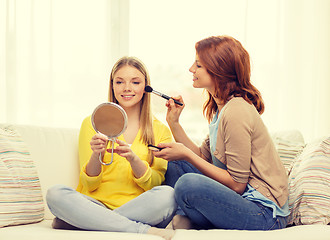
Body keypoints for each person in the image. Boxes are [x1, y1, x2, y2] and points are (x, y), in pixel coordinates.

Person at [153, 36, 289, 231]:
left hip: (264, 213)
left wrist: (186, 154)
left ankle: (190, 218)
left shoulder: (236, 111)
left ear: (218, 70)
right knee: (175, 164)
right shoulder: (221, 108)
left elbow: (237, 184)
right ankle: (192, 218)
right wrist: (173, 123)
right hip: (242, 199)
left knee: (187, 184)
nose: (191, 69)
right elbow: (203, 157)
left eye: (198, 65)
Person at [46, 56, 176, 240]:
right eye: (120, 82)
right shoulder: (92, 123)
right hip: (94, 204)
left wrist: (134, 159)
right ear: (112, 86)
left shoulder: (160, 130)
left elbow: (154, 183)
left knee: (168, 195)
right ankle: (139, 230)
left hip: (139, 207)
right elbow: (90, 184)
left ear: (145, 87)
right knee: (55, 194)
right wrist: (96, 155)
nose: (127, 88)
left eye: (135, 82)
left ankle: (84, 223)